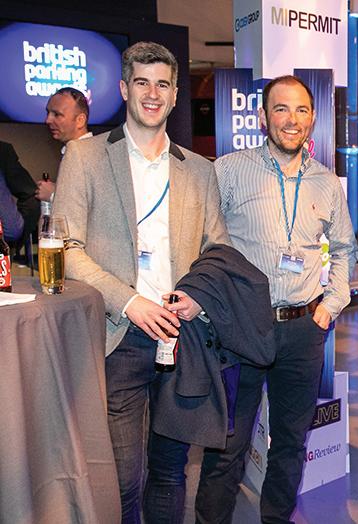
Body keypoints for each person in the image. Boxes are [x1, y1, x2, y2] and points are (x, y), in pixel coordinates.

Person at [53, 41, 230, 523]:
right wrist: (129, 301)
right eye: (142, 82)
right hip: (119, 339)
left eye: (163, 85)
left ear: (174, 95)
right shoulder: (85, 157)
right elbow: (66, 249)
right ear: (124, 89)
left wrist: (197, 297)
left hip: (180, 337)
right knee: (123, 480)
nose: (153, 94)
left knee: (171, 474)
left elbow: (218, 249)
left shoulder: (200, 170)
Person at [191, 75, 358, 523]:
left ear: (313, 119)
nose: (292, 119)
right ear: (263, 117)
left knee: (291, 442)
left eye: (301, 110)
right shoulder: (229, 170)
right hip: (243, 328)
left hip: (304, 328)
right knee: (228, 444)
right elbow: (203, 242)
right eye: (281, 109)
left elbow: (345, 248)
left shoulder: (326, 182)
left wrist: (330, 306)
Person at [38, 87, 94, 202]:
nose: (48, 120)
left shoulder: (93, 157)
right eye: (48, 113)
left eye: (57, 114)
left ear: (80, 120)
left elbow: (97, 204)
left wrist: (53, 195)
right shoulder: (75, 153)